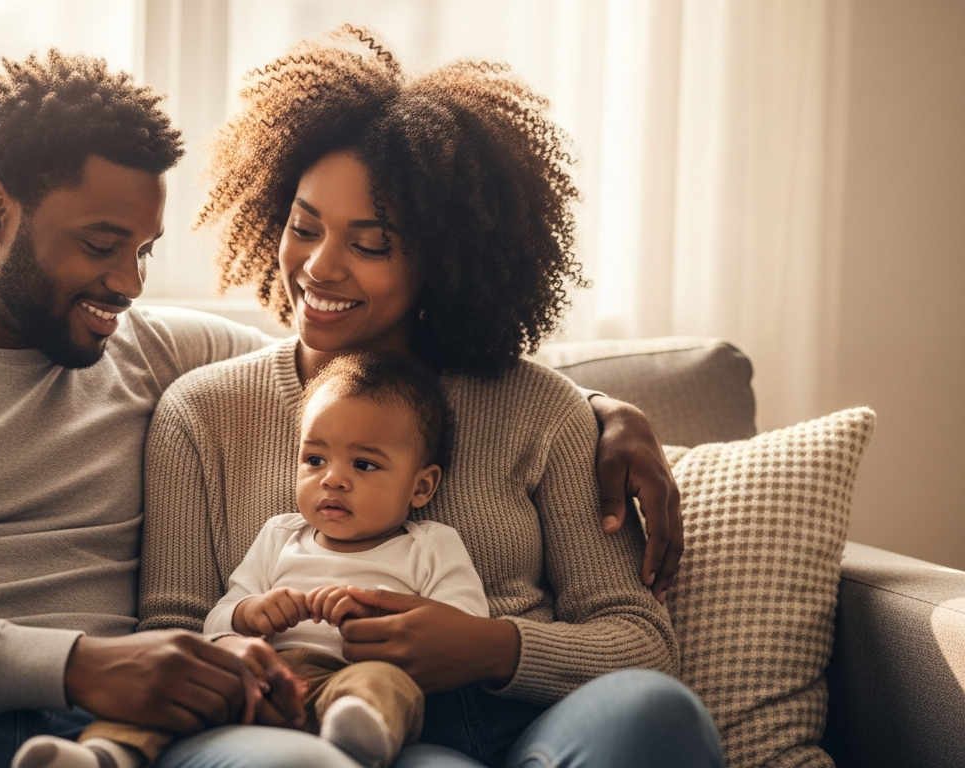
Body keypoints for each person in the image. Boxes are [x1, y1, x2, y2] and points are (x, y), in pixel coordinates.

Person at [0, 45, 686, 768]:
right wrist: (79, 665)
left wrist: (603, 409)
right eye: (102, 244)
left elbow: (385, 374)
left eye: (143, 249)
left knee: (643, 717)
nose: (128, 282)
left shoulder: (141, 346)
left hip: (197, 712)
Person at [137, 27, 722, 768]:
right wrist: (253, 656)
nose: (319, 266)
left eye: (370, 243)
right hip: (289, 726)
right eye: (304, 227)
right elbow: (169, 629)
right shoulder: (201, 413)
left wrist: (491, 648)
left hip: (516, 732)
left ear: (443, 261)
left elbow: (639, 639)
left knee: (657, 713)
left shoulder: (543, 411)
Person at [16, 352, 487, 768]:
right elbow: (217, 619)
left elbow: (466, 629)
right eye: (315, 459)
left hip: (349, 677)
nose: (333, 480)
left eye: (364, 465)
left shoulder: (430, 544)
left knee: (382, 684)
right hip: (260, 677)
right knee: (174, 694)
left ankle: (360, 736)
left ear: (421, 486)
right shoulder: (280, 534)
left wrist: (382, 616)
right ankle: (101, 755)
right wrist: (250, 614)